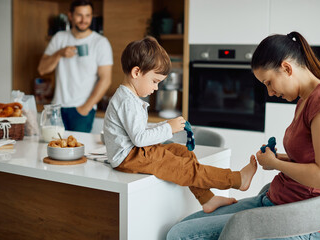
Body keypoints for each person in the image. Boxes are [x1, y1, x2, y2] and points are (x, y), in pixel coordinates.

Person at [166, 31, 320, 240]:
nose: (269, 92)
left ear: (287, 68)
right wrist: (276, 160)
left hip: (296, 220)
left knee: (180, 235)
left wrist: (276, 164)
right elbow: (311, 160)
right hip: (275, 203)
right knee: (184, 227)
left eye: (269, 82)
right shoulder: (306, 99)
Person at [103, 36, 258, 213]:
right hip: (130, 156)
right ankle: (237, 179)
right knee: (185, 168)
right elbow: (139, 139)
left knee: (183, 152)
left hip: (136, 152)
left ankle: (206, 199)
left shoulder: (130, 98)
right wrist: (168, 128)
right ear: (136, 72)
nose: (156, 88)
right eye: (154, 81)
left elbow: (138, 131)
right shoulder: (127, 102)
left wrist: (166, 124)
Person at [37, 0, 113, 133]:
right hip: (57, 108)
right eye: (79, 15)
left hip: (82, 109)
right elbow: (42, 69)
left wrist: (86, 108)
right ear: (70, 16)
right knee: (53, 148)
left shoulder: (100, 42)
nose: (84, 20)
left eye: (88, 15)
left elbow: (106, 79)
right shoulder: (59, 38)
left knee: (77, 151)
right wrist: (59, 53)